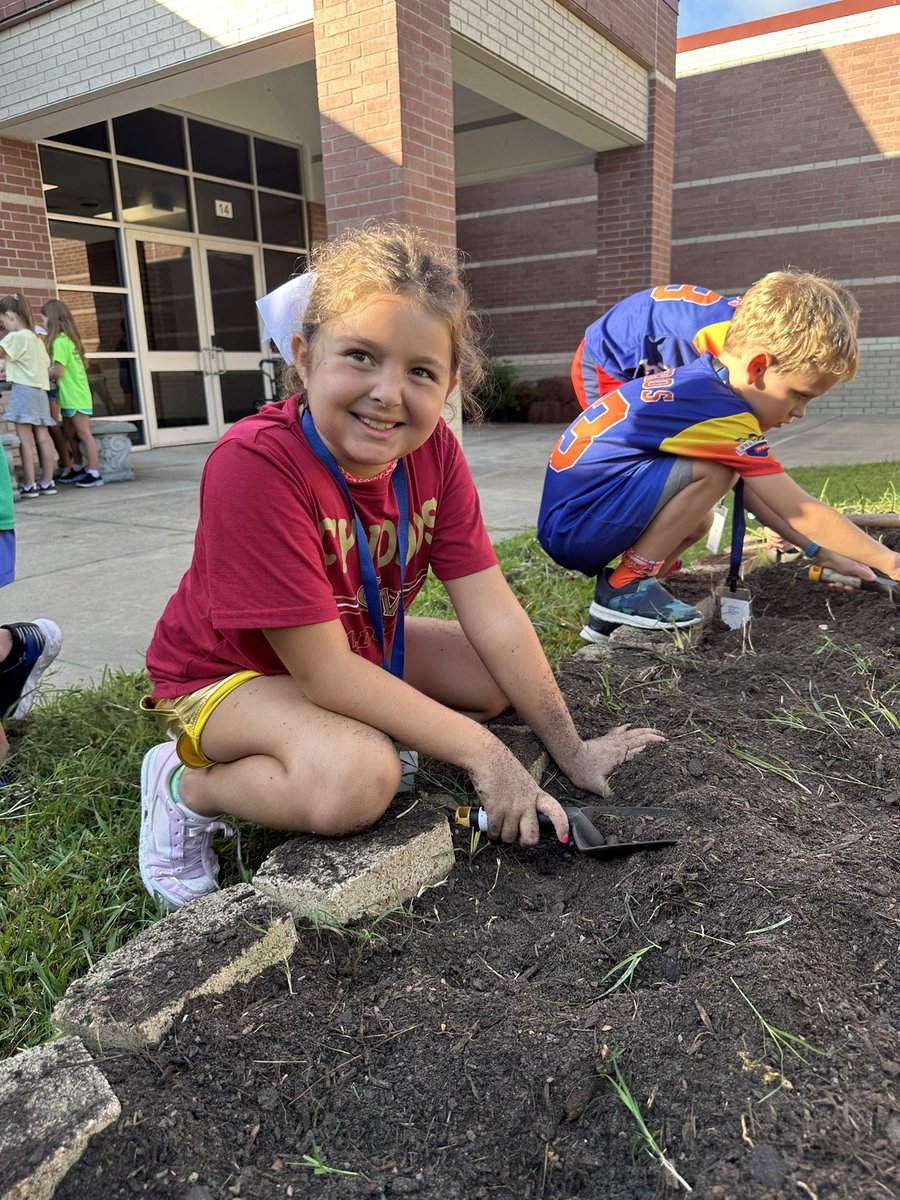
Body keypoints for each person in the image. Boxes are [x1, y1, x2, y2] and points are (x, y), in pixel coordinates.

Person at [138, 222, 663, 910]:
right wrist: (484, 754)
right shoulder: (254, 465)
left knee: (493, 678)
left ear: (449, 382)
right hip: (226, 672)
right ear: (304, 356)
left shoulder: (432, 452)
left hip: (344, 640)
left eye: (420, 371)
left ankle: (337, 725)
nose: (389, 393)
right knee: (360, 776)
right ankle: (183, 786)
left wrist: (573, 749)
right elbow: (323, 672)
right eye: (360, 355)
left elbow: (493, 610)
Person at [538, 270, 899, 639]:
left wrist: (819, 551)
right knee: (715, 473)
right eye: (799, 395)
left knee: (700, 518)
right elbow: (799, 508)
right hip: (577, 528)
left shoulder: (706, 383)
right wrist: (891, 562)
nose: (800, 412)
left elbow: (761, 495)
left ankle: (612, 614)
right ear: (758, 367)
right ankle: (626, 587)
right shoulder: (720, 411)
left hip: (577, 520)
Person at [571, 284, 742, 411]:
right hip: (604, 358)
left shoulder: (743, 324)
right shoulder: (709, 340)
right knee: (621, 437)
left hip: (654, 333)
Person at [40, 300, 104, 488]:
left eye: (43, 318)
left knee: (83, 433)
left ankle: (94, 472)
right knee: (69, 432)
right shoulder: (68, 340)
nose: (42, 322)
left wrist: (37, 372)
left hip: (75, 395)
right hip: (69, 395)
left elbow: (58, 371)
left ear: (51, 318)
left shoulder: (60, 342)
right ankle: (78, 466)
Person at [0, 294, 57, 498]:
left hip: (24, 391)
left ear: (9, 315)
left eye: (2, 323)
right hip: (40, 391)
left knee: (25, 438)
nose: (3, 328)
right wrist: (11, 371)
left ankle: (30, 484)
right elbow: (37, 365)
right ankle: (48, 481)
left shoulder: (15, 337)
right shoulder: (35, 338)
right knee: (43, 436)